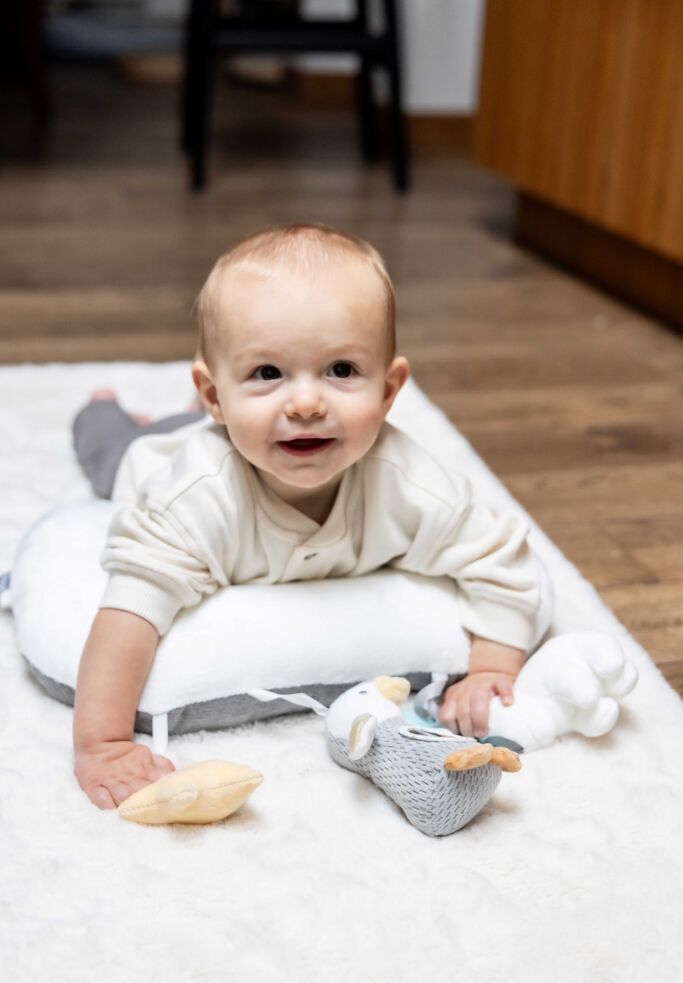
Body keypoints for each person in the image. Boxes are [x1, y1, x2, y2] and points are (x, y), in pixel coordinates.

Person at [72, 223, 547, 810]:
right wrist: (105, 744)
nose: (305, 403)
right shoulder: (190, 500)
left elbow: (501, 561)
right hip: (155, 459)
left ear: (390, 389)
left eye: (342, 370)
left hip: (239, 428)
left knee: (234, 422)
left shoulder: (410, 486)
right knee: (111, 451)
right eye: (267, 372)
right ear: (214, 395)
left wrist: (489, 666)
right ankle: (104, 409)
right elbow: (128, 615)